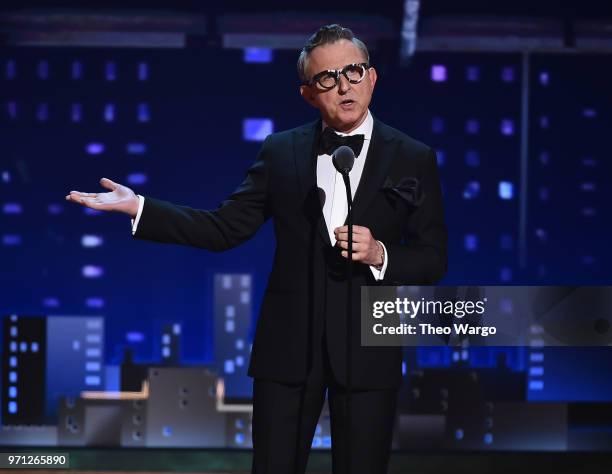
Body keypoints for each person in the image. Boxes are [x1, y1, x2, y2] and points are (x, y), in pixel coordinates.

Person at [66, 24, 447, 474]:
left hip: (369, 351)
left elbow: (432, 258)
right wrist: (140, 208)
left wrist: (380, 253)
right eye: (327, 77)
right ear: (308, 93)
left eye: (354, 72)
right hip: (287, 352)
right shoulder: (281, 152)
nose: (344, 85)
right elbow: (223, 228)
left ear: (373, 77)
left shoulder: (412, 156)